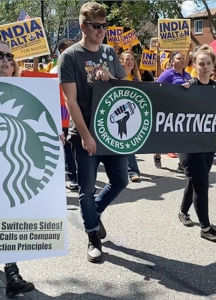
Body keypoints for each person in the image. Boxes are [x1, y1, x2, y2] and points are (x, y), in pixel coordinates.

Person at [59, 2, 127, 263]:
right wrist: (86, 135)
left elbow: (124, 88)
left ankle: (92, 215)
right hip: (84, 132)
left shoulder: (110, 53)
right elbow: (70, 100)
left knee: (120, 180)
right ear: (83, 26)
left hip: (111, 131)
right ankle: (93, 238)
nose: (101, 31)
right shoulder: (70, 56)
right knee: (85, 190)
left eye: (104, 26)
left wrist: (110, 77)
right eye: (96, 26)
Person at [0, 40, 35, 298]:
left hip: (11, 168)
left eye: (8, 55)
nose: (4, 60)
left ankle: (12, 272)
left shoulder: (27, 93)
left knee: (10, 215)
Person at [179, 45, 216, 241]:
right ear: (195, 66)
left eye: (208, 63)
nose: (205, 67)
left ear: (214, 65)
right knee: (202, 184)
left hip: (207, 144)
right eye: (201, 63)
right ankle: (205, 228)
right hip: (189, 145)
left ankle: (182, 211)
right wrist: (181, 93)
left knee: (196, 178)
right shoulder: (188, 87)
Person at [49, 38, 78, 190]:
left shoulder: (76, 68)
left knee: (71, 146)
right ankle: (71, 177)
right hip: (60, 115)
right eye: (70, 48)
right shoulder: (54, 72)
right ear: (62, 51)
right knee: (65, 147)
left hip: (74, 114)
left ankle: (73, 176)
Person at [156, 51, 191, 170]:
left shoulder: (187, 75)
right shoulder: (167, 74)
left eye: (183, 58)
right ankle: (157, 154)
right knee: (165, 135)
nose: (182, 60)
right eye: (179, 58)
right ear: (172, 61)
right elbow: (157, 88)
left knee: (181, 136)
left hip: (183, 110)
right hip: (169, 110)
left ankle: (182, 164)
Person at [119, 50, 141, 182]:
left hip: (132, 114)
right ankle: (132, 171)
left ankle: (132, 171)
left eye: (132, 59)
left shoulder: (136, 78)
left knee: (128, 142)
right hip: (119, 112)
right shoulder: (116, 76)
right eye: (127, 59)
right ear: (121, 61)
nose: (130, 62)